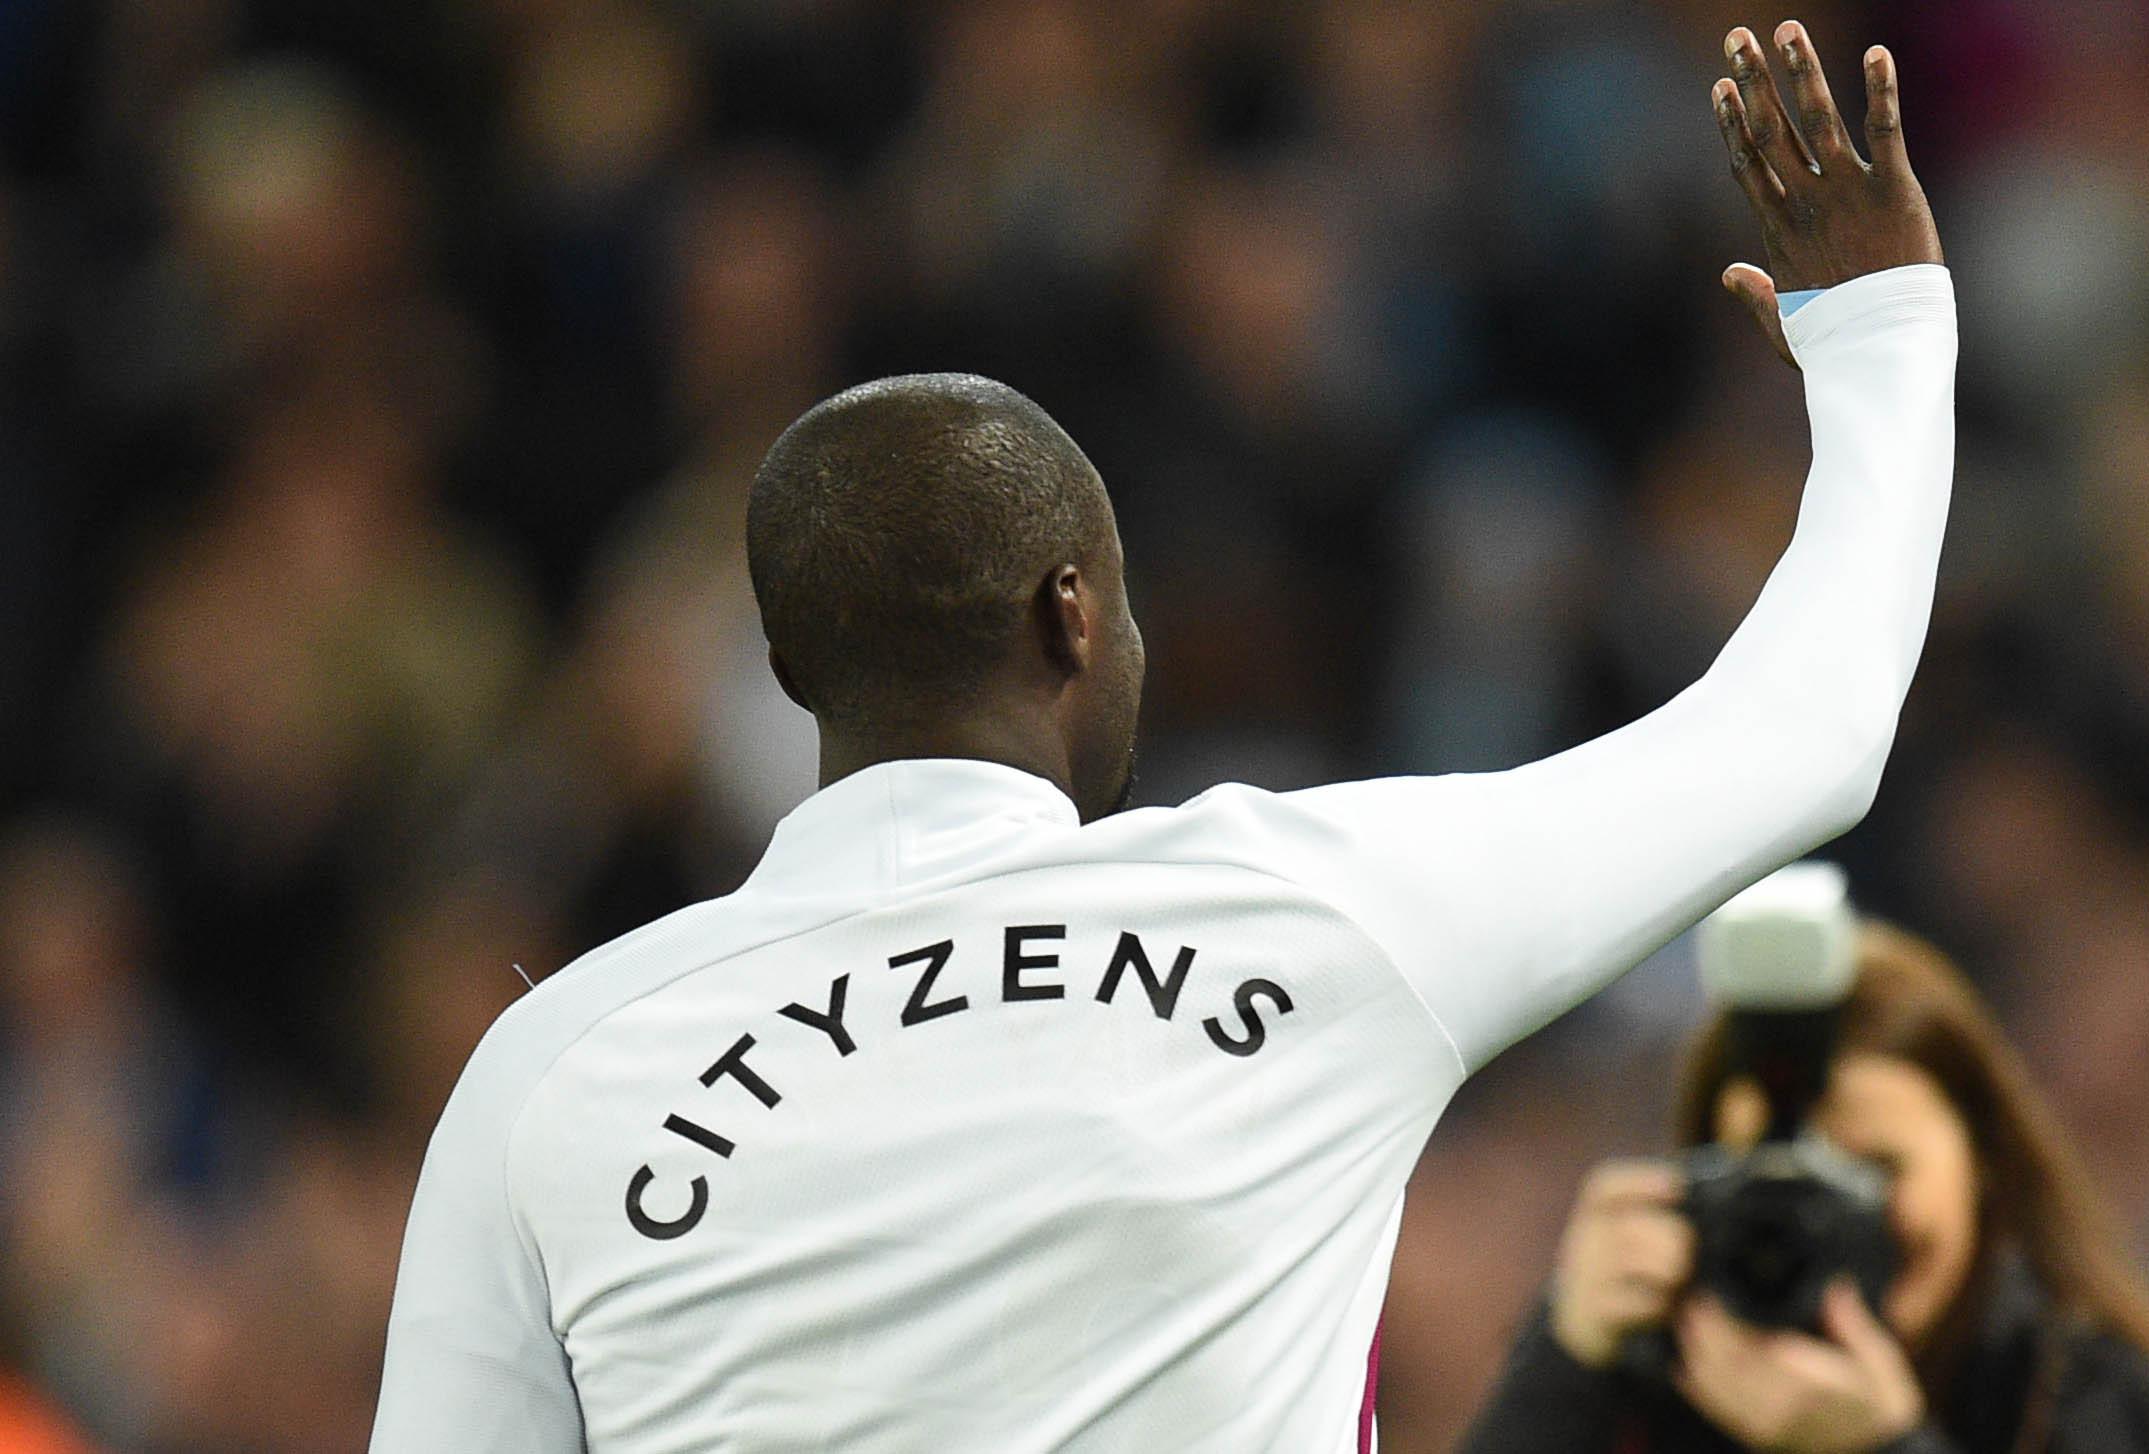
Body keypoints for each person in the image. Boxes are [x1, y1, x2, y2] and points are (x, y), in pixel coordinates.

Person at [369, 20, 1954, 1452]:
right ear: (1072, 615)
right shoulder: (1315, 918)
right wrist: (1879, 328)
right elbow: (1804, 729)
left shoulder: (553, 1073)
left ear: (789, 667)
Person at [1456, 922, 2149, 1454]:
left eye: (1874, 1170)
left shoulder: (2098, 1405)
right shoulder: (1658, 1387)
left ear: (1983, 1161)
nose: (1822, 1213)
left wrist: (1882, 1448)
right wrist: (1562, 1363)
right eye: (1767, 1170)